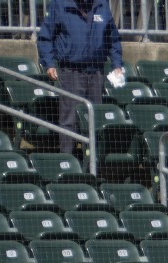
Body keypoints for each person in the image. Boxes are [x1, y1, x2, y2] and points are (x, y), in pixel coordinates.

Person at [37, 0, 123, 157]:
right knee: (70, 119)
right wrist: (49, 64)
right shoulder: (60, 4)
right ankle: (67, 159)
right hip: (71, 71)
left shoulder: (102, 5)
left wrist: (117, 64)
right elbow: (45, 37)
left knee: (94, 119)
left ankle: (92, 161)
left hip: (96, 72)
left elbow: (113, 38)